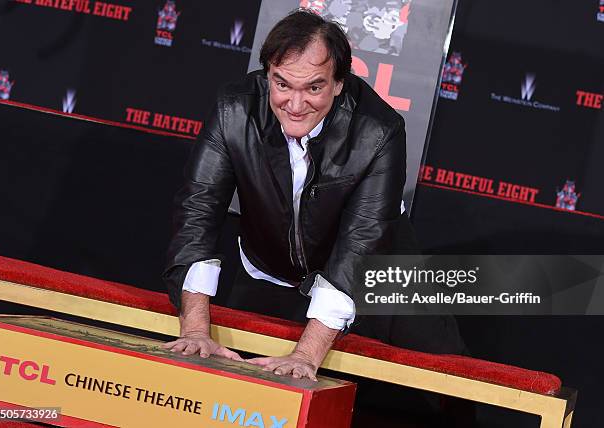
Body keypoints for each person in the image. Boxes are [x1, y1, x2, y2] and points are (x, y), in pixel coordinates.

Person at [162, 9, 465, 383]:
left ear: (339, 83)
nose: (295, 103)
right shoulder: (234, 109)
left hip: (379, 265)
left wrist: (307, 354)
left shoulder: (379, 131)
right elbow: (198, 212)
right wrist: (194, 330)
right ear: (267, 74)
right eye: (282, 84)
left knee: (447, 378)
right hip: (268, 264)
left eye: (314, 88)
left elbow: (360, 245)